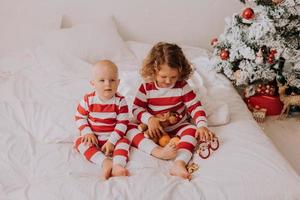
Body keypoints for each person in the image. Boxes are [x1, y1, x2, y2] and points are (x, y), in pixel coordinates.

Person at [126, 42, 215, 180]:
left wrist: (202, 125)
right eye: (163, 76)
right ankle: (158, 152)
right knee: (129, 129)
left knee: (191, 130)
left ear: (180, 72)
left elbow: (195, 106)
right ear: (153, 70)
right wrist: (150, 120)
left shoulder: (182, 87)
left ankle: (179, 163)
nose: (168, 81)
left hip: (178, 125)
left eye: (173, 77)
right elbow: (137, 109)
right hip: (155, 130)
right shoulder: (146, 88)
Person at [74, 60, 130, 180]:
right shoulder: (88, 100)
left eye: (112, 80)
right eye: (102, 80)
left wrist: (112, 141)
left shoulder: (120, 101)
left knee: (125, 142)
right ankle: (105, 162)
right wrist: (87, 132)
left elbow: (122, 124)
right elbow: (80, 117)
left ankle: (118, 165)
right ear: (93, 83)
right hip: (94, 138)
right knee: (79, 142)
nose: (107, 84)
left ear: (118, 82)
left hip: (113, 138)